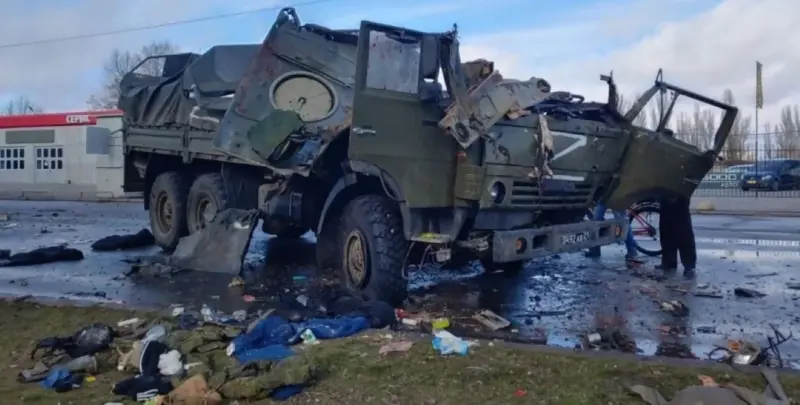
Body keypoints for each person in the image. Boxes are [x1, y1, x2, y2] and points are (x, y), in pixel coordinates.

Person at [657, 195, 697, 276]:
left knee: (683, 234)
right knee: (667, 232)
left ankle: (689, 266)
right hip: (666, 198)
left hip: (679, 197)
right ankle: (669, 262)